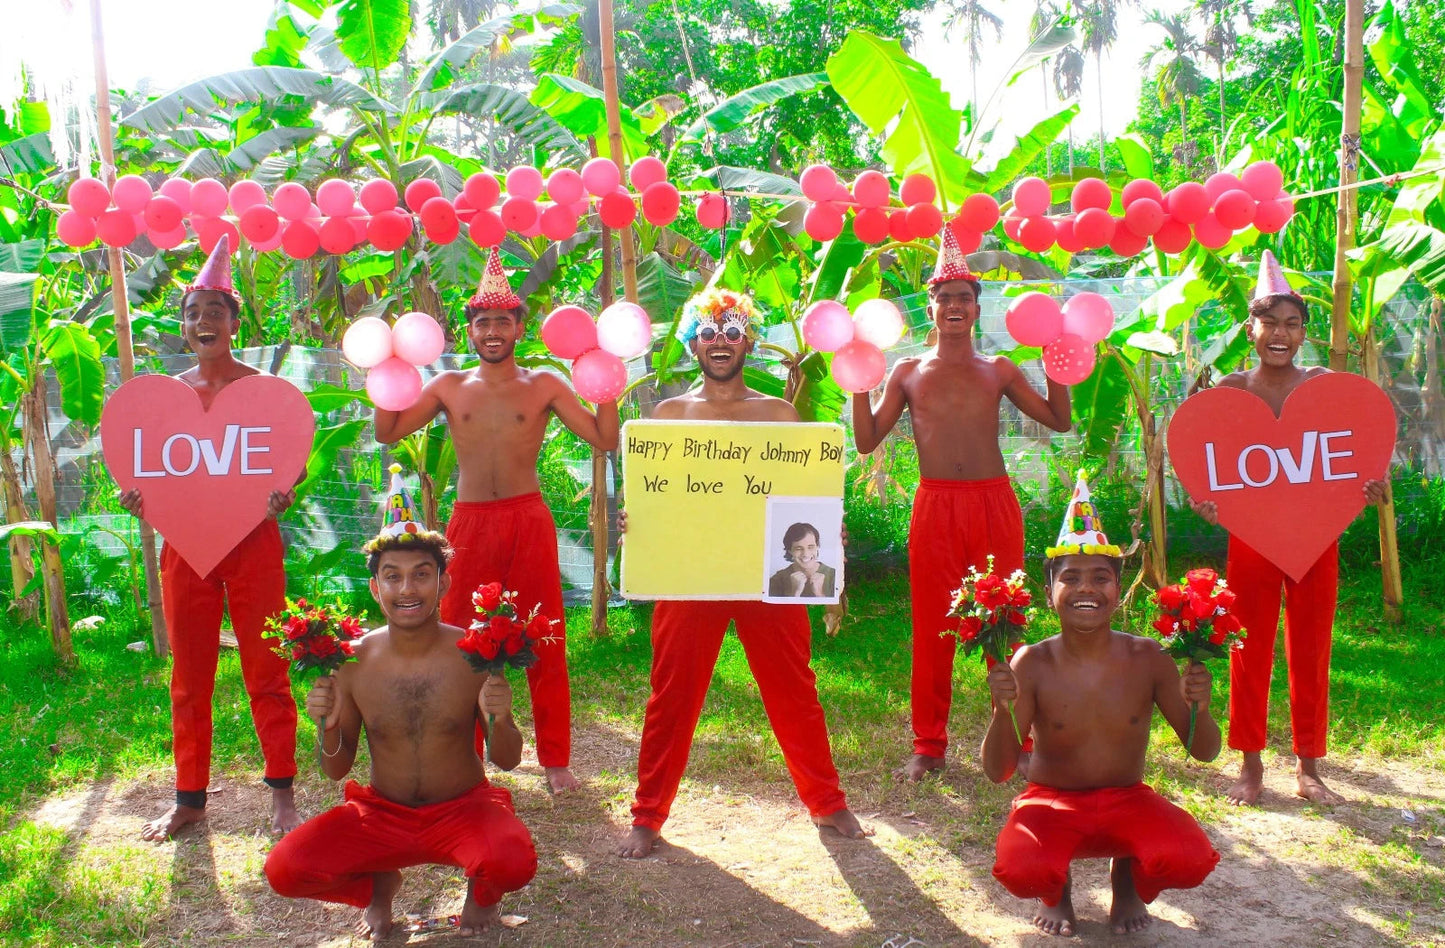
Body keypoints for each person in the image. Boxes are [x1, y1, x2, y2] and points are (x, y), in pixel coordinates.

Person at [617, 289, 870, 858]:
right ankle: (648, 812)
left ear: (748, 340)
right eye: (708, 332)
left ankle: (828, 804)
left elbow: (802, 497)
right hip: (690, 576)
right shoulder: (669, 416)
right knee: (671, 696)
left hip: (767, 578)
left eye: (731, 330)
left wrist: (829, 531)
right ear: (692, 344)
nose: (720, 341)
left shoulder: (779, 415)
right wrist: (641, 519)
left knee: (793, 687)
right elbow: (660, 499)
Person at [373, 247, 619, 794]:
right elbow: (388, 432)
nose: (492, 331)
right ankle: (468, 755)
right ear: (469, 329)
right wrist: (383, 371)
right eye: (482, 322)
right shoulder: (447, 387)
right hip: (467, 523)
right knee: (463, 636)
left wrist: (609, 384)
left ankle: (556, 761)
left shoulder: (545, 385)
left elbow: (604, 439)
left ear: (519, 326)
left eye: (502, 321)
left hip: (526, 518)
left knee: (545, 635)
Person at [264, 481, 537, 940]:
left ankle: (481, 894)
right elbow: (336, 769)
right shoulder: (350, 661)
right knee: (285, 869)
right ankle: (380, 883)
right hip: (381, 815)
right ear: (375, 587)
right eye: (392, 576)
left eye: (421, 574)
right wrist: (327, 727)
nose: (406, 588)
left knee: (512, 861)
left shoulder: (475, 653)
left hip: (463, 809)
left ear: (443, 581)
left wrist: (503, 717)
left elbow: (507, 759)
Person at [852, 224, 1073, 781]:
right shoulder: (906, 372)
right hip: (935, 508)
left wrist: (1058, 366)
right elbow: (865, 440)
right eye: (944, 297)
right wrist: (856, 382)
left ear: (977, 308)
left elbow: (1058, 419)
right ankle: (928, 744)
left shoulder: (997, 369)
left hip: (993, 504)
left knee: (1006, 618)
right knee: (933, 625)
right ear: (930, 308)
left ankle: (1017, 737)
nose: (954, 305)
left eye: (964, 298)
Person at [1186, 251, 1386, 807]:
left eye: (1292, 323)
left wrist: (1368, 487)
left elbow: (1356, 454)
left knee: (1312, 644)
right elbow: (1210, 464)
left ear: (1303, 333)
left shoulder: (1324, 386)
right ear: (1250, 328)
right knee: (1247, 645)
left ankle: (1309, 763)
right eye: (1269, 322)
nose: (1280, 333)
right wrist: (1207, 503)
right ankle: (1250, 762)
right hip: (1250, 538)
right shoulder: (1230, 389)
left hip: (1317, 537)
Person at [118, 236, 301, 841]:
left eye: (215, 312)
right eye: (193, 313)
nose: (204, 322)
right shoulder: (167, 397)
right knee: (189, 677)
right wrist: (138, 496)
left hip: (253, 542)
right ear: (184, 325)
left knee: (267, 669)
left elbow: (287, 466)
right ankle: (189, 798)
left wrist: (284, 492)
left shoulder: (265, 393)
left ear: (234, 321)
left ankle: (282, 792)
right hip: (185, 547)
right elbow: (149, 468)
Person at [984, 476, 1221, 937]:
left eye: (1100, 577)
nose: (1085, 589)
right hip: (1051, 802)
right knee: (1021, 867)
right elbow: (998, 770)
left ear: (1118, 588)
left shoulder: (1150, 657)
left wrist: (1202, 708)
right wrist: (1001, 710)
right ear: (1049, 590)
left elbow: (1205, 751)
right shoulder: (1031, 661)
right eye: (1069, 577)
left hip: (1127, 798)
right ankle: (1057, 890)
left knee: (1190, 857)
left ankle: (1126, 879)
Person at [767, 522, 837, 598]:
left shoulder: (834, 576)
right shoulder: (777, 580)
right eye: (798, 548)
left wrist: (819, 593)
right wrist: (794, 593)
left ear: (817, 547)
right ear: (790, 550)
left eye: (811, 547)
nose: (805, 554)